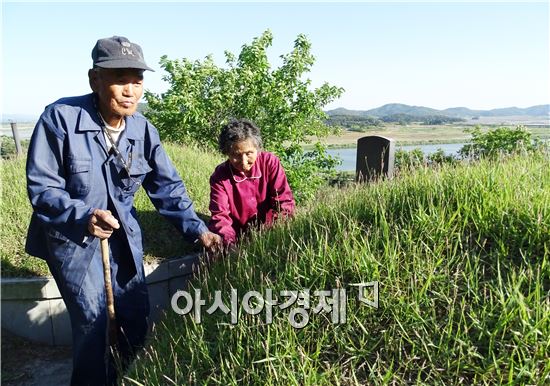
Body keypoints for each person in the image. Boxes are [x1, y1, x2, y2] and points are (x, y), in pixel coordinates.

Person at [25, 36, 222, 385]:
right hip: (73, 240)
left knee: (133, 315)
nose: (130, 90)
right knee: (93, 320)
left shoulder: (143, 131)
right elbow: (44, 188)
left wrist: (198, 230)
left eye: (137, 80)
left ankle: (126, 378)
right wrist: (83, 216)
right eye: (119, 79)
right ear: (94, 79)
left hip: (122, 237)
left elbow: (167, 188)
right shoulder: (61, 119)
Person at [208, 119, 295, 247]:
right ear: (226, 153)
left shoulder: (270, 163)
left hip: (272, 233)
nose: (243, 161)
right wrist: (230, 245)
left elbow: (285, 203)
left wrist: (271, 236)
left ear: (257, 149)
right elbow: (220, 217)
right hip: (237, 237)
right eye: (235, 155)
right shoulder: (220, 176)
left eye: (249, 153)